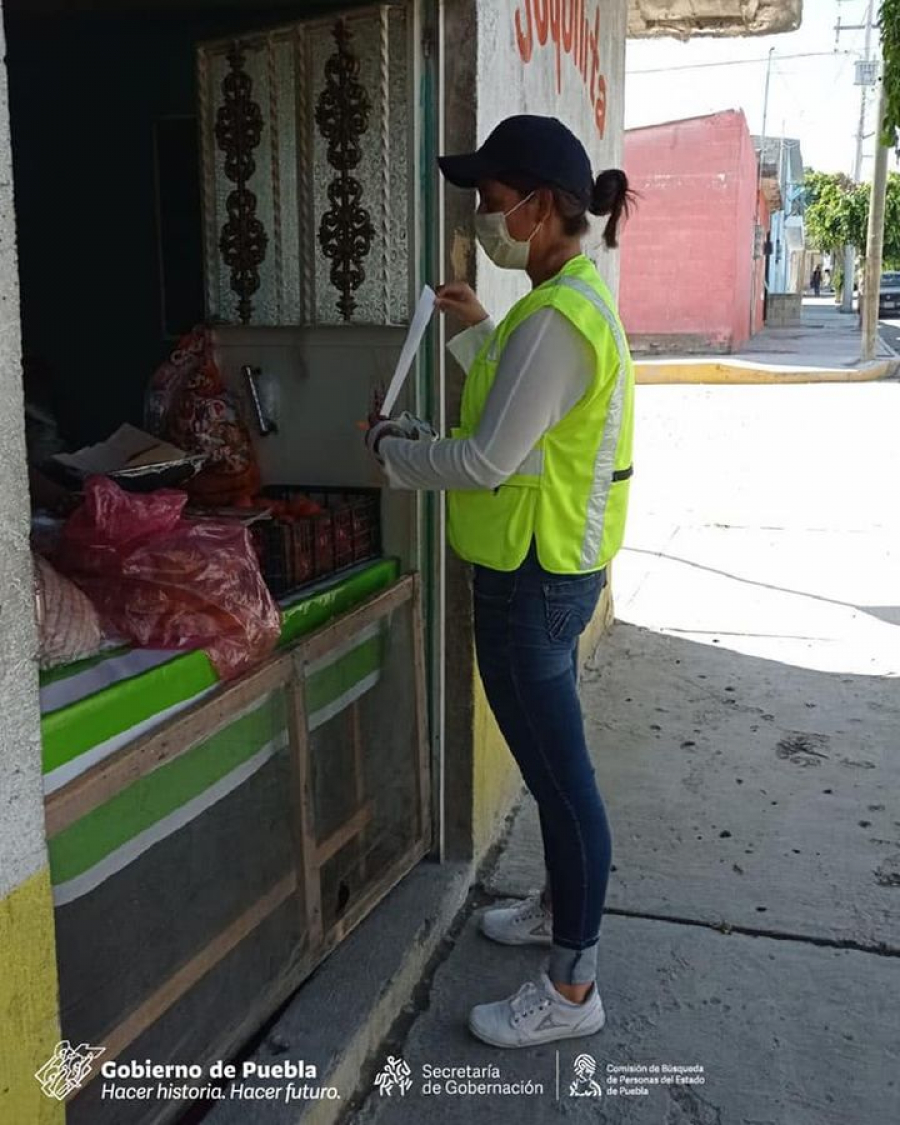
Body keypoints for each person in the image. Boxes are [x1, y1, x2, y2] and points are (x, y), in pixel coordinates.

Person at [364, 115, 635, 1049]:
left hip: (532, 576)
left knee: (564, 787)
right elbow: (527, 414)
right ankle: (562, 906)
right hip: (544, 567)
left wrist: (397, 455)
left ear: (541, 205)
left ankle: (572, 988)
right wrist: (478, 332)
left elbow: (484, 459)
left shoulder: (559, 318)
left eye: (490, 200)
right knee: (557, 773)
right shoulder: (555, 302)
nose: (482, 216)